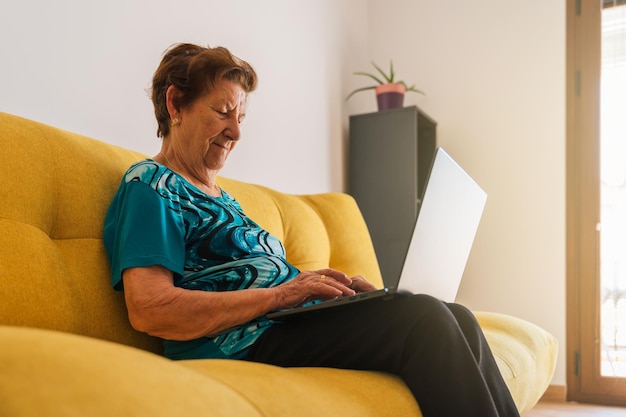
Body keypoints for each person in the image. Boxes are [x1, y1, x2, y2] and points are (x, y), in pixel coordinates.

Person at [103, 42, 520, 417]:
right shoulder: (151, 185)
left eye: (241, 116)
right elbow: (150, 309)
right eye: (222, 112)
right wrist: (282, 295)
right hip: (240, 344)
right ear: (175, 105)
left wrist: (339, 294)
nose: (236, 132)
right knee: (424, 319)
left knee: (457, 316)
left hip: (287, 323)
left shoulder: (224, 198)